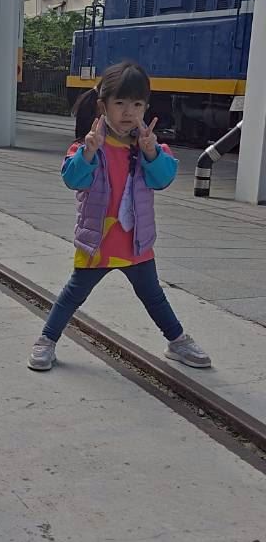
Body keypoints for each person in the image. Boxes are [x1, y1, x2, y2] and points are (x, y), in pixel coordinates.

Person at [29, 61, 211, 372]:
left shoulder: (149, 146)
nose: (129, 112)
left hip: (136, 242)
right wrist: (88, 152)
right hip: (98, 243)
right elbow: (73, 179)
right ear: (103, 106)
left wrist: (151, 152)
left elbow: (162, 179)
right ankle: (47, 340)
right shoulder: (88, 146)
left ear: (146, 108)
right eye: (120, 103)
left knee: (153, 296)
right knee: (73, 295)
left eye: (137, 104)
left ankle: (177, 341)